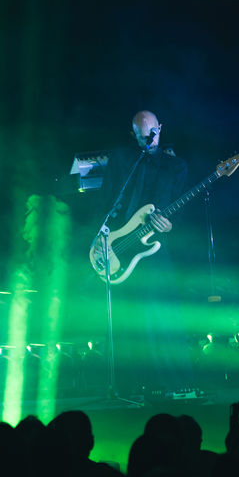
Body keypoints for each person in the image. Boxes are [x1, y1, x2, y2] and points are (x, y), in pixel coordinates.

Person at [98, 110, 193, 396]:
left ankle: (175, 383)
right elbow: (106, 200)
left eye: (152, 135)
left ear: (160, 129)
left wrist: (170, 224)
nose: (148, 141)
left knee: (163, 317)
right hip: (120, 247)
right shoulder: (122, 160)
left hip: (154, 250)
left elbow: (183, 211)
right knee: (128, 320)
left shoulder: (176, 167)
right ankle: (129, 385)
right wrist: (104, 236)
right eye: (142, 137)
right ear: (134, 135)